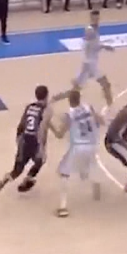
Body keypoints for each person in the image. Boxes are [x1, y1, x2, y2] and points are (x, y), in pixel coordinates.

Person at [47, 90, 105, 218]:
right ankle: (96, 188)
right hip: (92, 145)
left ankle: (63, 207)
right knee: (89, 168)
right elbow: (101, 121)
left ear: (69, 100)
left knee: (64, 173)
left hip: (78, 147)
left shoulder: (69, 115)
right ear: (80, 98)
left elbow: (59, 135)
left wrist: (49, 125)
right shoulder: (89, 107)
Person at [0, 85, 52, 202]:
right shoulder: (46, 110)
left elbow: (21, 124)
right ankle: (28, 179)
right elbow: (42, 129)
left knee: (17, 170)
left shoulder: (29, 107)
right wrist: (42, 147)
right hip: (35, 141)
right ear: (47, 96)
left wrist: (18, 140)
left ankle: (1, 183)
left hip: (24, 139)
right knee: (41, 159)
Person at [57, 10, 115, 107]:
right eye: (94, 18)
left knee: (105, 85)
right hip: (88, 65)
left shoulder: (94, 29)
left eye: (97, 18)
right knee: (76, 91)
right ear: (91, 18)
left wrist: (102, 46)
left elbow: (92, 45)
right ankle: (55, 99)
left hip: (91, 64)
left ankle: (110, 106)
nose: (96, 20)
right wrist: (104, 46)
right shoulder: (90, 30)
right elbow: (90, 45)